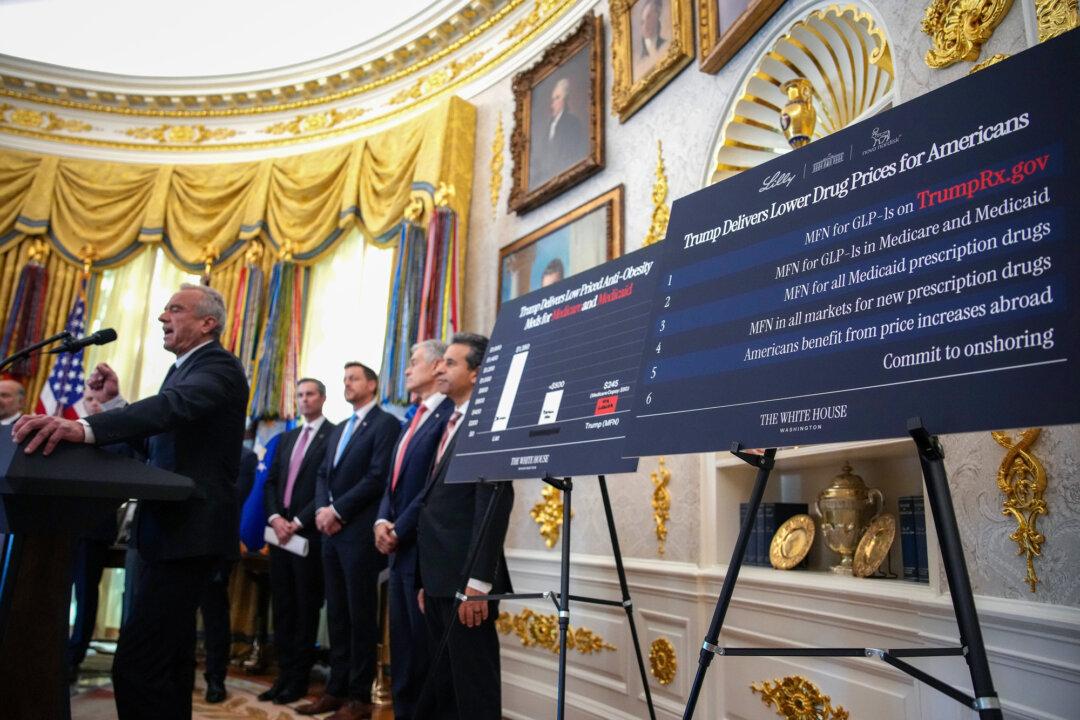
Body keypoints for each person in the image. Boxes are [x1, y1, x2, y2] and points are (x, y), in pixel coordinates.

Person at [13, 283, 248, 720]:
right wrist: (113, 405)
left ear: (207, 323)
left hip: (188, 535)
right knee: (167, 665)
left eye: (175, 309)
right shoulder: (183, 369)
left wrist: (83, 428)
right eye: (163, 309)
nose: (162, 317)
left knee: (138, 667)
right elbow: (153, 443)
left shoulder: (218, 367)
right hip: (164, 533)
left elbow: (170, 408)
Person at [416, 333, 514, 720]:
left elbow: (493, 501)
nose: (439, 367)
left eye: (451, 363)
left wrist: (478, 582)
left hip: (467, 581)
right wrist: (426, 578)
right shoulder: (452, 421)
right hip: (439, 577)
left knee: (474, 689)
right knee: (445, 687)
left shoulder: (487, 421)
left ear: (477, 374)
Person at [296, 362, 400, 720]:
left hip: (357, 534)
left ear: (372, 384)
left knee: (360, 616)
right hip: (331, 534)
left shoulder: (386, 425)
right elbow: (324, 473)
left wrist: (337, 511)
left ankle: (359, 697)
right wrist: (322, 509)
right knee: (336, 615)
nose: (347, 384)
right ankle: (334, 690)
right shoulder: (341, 427)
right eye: (344, 379)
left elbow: (376, 478)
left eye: (353, 378)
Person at [374, 340, 453, 720]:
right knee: (403, 652)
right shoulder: (412, 417)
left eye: (414, 361)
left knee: (424, 656)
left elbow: (432, 485)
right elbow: (393, 481)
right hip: (399, 548)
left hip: (422, 548)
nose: (406, 369)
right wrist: (380, 520)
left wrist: (399, 528)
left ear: (439, 366)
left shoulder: (449, 417)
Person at [259, 377, 334, 704]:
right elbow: (271, 482)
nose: (304, 400)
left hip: (309, 537)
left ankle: (299, 681)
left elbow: (328, 486)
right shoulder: (287, 437)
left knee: (305, 609)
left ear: (322, 398)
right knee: (284, 608)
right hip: (280, 536)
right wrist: (276, 518)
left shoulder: (333, 436)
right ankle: (282, 676)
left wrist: (298, 521)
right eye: (300, 395)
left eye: (310, 394)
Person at [199, 444, 257, 703]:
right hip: (181, 541)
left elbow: (233, 498)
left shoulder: (245, 457)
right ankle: (176, 672)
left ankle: (215, 679)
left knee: (215, 616)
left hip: (217, 547)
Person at [532, 76, 588, 188]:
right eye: (553, 98)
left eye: (557, 98)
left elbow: (575, 154)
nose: (553, 103)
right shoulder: (548, 126)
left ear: (565, 100)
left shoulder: (573, 123)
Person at [634, 0, 667, 80]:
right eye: (643, 21)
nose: (646, 24)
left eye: (649, 17)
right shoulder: (639, 59)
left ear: (657, 16)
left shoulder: (666, 45)